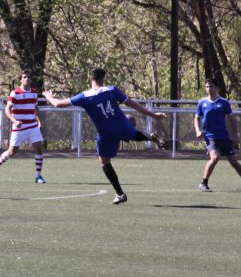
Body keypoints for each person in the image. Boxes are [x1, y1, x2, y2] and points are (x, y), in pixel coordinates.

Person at [42, 67, 167, 204]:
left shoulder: (84, 96)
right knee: (134, 133)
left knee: (104, 162)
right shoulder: (112, 90)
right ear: (103, 79)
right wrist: (153, 115)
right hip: (121, 125)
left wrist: (49, 97)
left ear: (91, 79)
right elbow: (133, 105)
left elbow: (59, 104)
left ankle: (120, 194)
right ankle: (150, 136)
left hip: (106, 132)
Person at [194, 78, 241, 192]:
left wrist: (235, 135)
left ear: (216, 88)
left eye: (211, 86)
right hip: (210, 136)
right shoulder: (202, 102)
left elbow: (232, 119)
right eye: (207, 87)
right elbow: (196, 118)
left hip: (224, 136)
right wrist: (197, 130)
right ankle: (204, 183)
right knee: (215, 157)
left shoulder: (224, 102)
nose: (209, 89)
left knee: (234, 162)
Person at [0, 69, 46, 183]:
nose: (27, 79)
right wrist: (14, 121)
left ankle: (38, 175)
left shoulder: (34, 92)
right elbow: (7, 109)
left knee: (39, 147)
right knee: (12, 152)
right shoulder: (15, 93)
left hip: (32, 126)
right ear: (20, 79)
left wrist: (39, 121)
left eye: (28, 77)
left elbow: (35, 107)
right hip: (19, 127)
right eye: (24, 77)